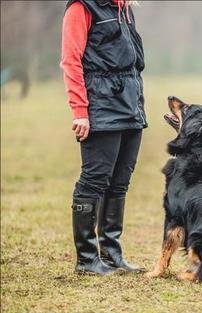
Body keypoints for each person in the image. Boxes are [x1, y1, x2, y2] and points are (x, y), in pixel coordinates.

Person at [60, 0, 147, 275]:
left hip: (131, 107)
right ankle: (87, 259)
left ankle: (111, 254)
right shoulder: (81, 8)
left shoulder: (124, 8)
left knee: (120, 182)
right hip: (101, 108)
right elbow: (70, 61)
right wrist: (80, 111)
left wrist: (137, 106)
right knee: (95, 180)